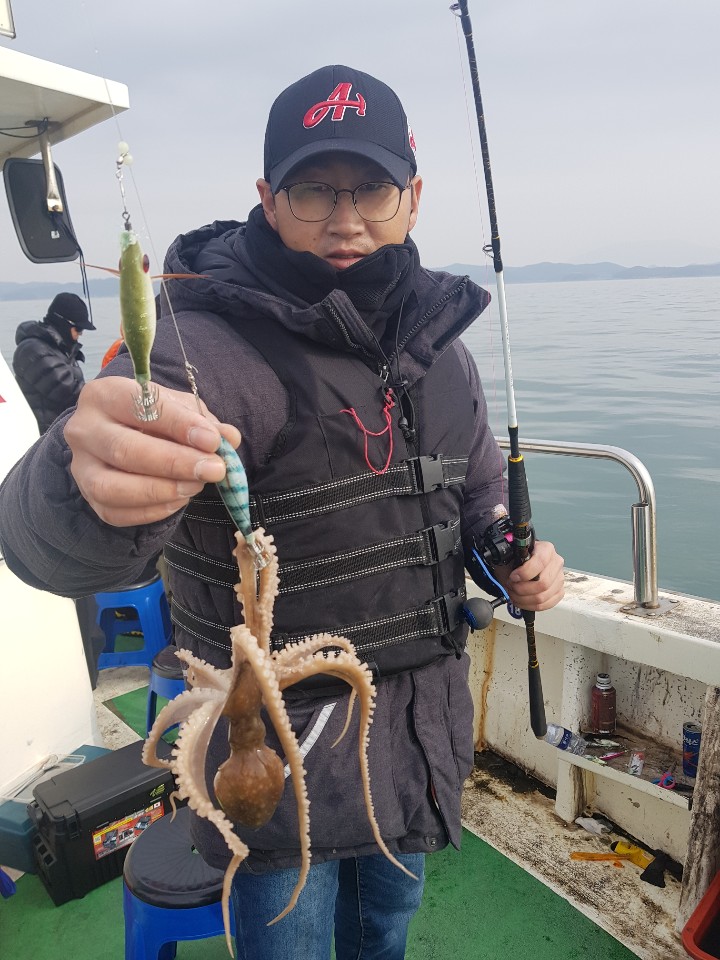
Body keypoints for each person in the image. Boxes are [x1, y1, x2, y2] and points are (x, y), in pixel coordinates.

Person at [0, 65, 565, 959]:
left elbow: (478, 493)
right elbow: (63, 546)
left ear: (413, 198)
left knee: (386, 930)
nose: (346, 219)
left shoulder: (441, 351)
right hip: (269, 756)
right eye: (313, 190)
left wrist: (510, 554)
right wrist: (76, 478)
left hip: (416, 738)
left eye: (371, 188)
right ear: (267, 200)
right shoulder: (204, 346)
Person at [12, 291, 96, 434]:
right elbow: (69, 393)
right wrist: (106, 394)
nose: (81, 333)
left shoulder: (60, 349)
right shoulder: (34, 350)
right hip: (46, 436)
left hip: (61, 430)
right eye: (78, 328)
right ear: (63, 323)